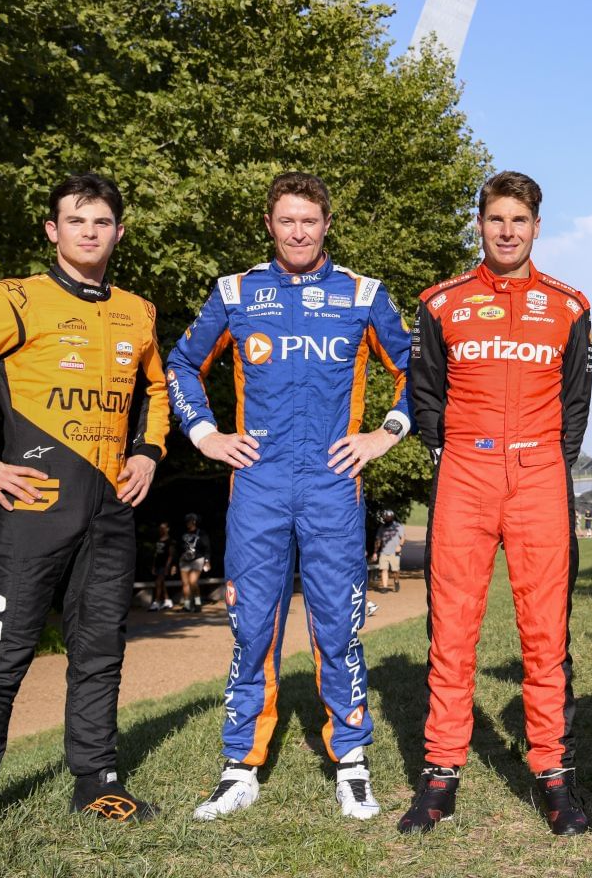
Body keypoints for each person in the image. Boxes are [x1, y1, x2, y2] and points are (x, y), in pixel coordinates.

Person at [0, 173, 168, 837]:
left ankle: (97, 781)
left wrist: (148, 452)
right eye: (75, 221)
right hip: (31, 508)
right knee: (2, 652)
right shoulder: (11, 300)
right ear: (53, 230)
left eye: (102, 221)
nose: (89, 231)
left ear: (118, 232)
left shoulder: (138, 311)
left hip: (108, 512)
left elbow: (157, 392)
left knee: (101, 649)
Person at [166, 172, 415, 822]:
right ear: (270, 225)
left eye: (309, 220)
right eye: (287, 221)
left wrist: (385, 434)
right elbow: (181, 364)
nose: (299, 232)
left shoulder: (363, 294)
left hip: (334, 486)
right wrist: (205, 434)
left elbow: (418, 371)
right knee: (253, 630)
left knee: (339, 628)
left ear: (326, 223)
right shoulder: (237, 292)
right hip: (259, 485)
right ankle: (240, 767)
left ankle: (352, 763)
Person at [398, 171, 592, 838]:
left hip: (538, 473)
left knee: (546, 638)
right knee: (452, 633)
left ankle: (553, 777)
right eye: (496, 220)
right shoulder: (442, 302)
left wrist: (546, 463)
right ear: (479, 225)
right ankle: (440, 775)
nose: (507, 231)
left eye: (520, 220)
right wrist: (447, 454)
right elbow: (424, 391)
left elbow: (575, 405)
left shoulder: (568, 306)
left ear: (537, 227)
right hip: (466, 473)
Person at [175, 513, 212, 611]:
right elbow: (178, 547)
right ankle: (187, 605)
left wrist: (207, 561)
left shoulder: (201, 533)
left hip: (198, 559)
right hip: (184, 559)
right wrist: (176, 562)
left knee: (193, 581)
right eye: (186, 521)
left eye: (189, 521)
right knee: (185, 583)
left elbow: (207, 547)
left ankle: (197, 603)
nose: (187, 523)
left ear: (194, 521)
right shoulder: (183, 533)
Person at [374, 509, 405, 593]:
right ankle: (385, 587)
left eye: (389, 517)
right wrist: (375, 552)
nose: (387, 519)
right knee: (384, 569)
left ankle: (396, 581)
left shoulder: (398, 526)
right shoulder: (381, 528)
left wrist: (400, 546)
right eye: (386, 517)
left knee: (395, 571)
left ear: (392, 517)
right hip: (384, 552)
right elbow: (378, 541)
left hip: (394, 553)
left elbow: (402, 538)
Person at [150, 521, 175, 611]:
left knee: (158, 582)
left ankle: (156, 602)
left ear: (167, 529)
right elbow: (156, 553)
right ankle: (167, 600)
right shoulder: (158, 539)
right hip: (158, 564)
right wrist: (153, 565)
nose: (162, 529)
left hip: (164, 565)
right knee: (162, 583)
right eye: (160, 528)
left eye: (164, 527)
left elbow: (171, 555)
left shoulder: (170, 541)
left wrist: (168, 566)